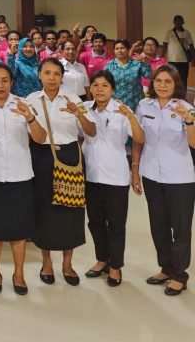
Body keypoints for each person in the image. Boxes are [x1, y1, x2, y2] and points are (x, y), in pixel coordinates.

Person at [0, 63, 46, 296]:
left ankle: (19, 274)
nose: (0, 85)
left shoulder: (25, 105)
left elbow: (41, 138)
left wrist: (31, 119)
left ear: (11, 82)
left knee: (19, 230)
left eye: (5, 80)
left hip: (20, 175)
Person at [26, 57, 96, 287]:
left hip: (70, 156)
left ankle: (67, 263)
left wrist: (79, 114)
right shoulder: (31, 100)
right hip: (42, 156)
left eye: (57, 74)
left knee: (71, 209)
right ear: (40, 75)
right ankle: (46, 262)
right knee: (44, 209)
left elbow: (91, 131)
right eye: (47, 73)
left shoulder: (74, 98)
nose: (52, 78)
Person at [131, 65, 195, 296]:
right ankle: (166, 268)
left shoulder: (186, 108)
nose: (162, 85)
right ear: (152, 83)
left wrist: (189, 121)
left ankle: (179, 274)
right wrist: (135, 168)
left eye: (168, 81)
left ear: (176, 84)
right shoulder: (143, 105)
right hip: (151, 174)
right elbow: (139, 139)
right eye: (158, 81)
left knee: (180, 227)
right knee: (158, 225)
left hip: (180, 177)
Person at [82, 71, 144, 288]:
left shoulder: (120, 111)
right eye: (96, 85)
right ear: (90, 88)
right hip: (90, 176)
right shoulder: (84, 110)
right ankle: (102, 259)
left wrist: (130, 117)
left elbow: (139, 138)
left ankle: (115, 265)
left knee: (116, 224)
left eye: (105, 85)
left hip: (116, 177)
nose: (100, 89)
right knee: (95, 222)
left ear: (113, 89)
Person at [104, 39, 151, 111]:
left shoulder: (137, 64)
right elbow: (104, 82)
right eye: (117, 49)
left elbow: (149, 75)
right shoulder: (109, 65)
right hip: (116, 103)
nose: (119, 50)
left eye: (122, 48)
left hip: (135, 103)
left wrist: (144, 63)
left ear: (128, 49)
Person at [162, 15, 194, 85]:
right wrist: (161, 57)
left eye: (180, 21)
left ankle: (183, 95)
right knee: (171, 78)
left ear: (183, 22)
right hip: (171, 61)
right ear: (173, 22)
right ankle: (172, 95)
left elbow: (191, 46)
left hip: (184, 61)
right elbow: (164, 45)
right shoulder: (169, 32)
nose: (178, 22)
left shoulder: (187, 33)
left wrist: (193, 59)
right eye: (176, 21)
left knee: (183, 80)